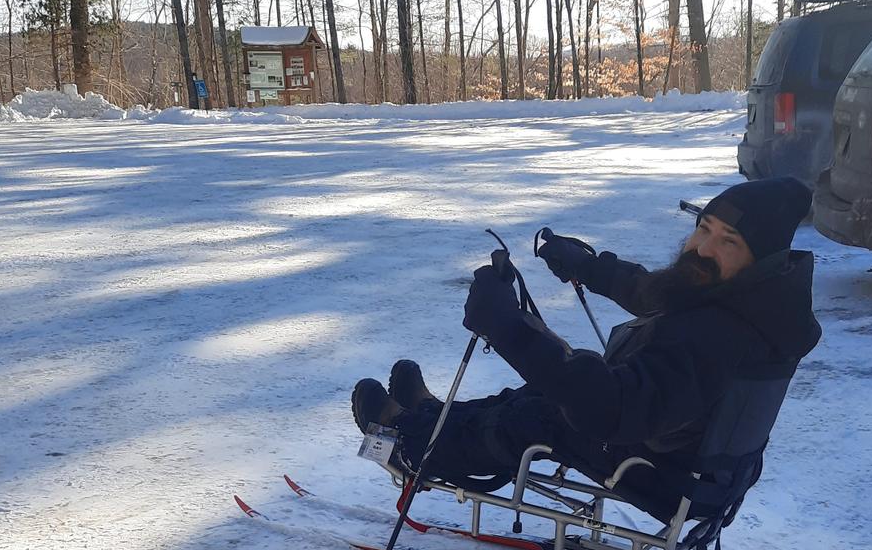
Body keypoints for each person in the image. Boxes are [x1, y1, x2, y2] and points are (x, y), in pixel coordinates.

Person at [351, 177, 822, 523]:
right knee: (540, 396)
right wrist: (593, 269)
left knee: (540, 416)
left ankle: (410, 444)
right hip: (701, 466)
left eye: (727, 240)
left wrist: (506, 325)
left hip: (669, 476)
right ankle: (434, 419)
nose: (702, 247)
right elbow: (665, 293)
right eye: (704, 227)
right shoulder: (758, 300)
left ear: (758, 258)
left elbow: (610, 410)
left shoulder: (723, 334)